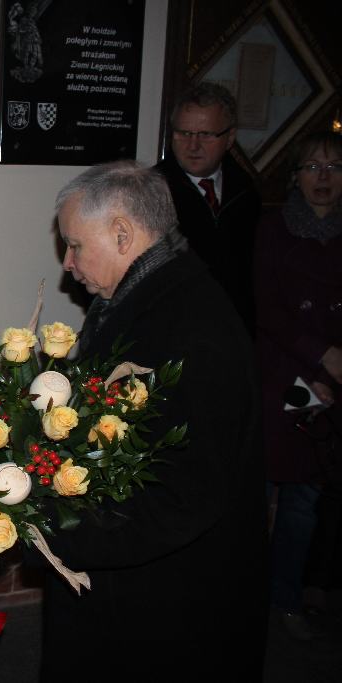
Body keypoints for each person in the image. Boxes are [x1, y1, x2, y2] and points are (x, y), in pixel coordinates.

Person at [41, 161, 267, 680]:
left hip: (170, 603)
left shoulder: (192, 330)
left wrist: (54, 530)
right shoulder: (142, 298)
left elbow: (183, 495)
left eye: (75, 245)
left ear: (122, 234)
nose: (68, 264)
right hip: (133, 585)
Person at [255, 131, 342, 640]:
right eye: (313, 166)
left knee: (304, 505)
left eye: (334, 166)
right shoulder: (274, 229)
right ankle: (242, 597)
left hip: (332, 386)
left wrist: (331, 373)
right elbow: (266, 308)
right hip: (280, 377)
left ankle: (285, 597)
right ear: (295, 177)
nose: (323, 177)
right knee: (258, 496)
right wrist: (319, 359)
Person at [155, 82, 261, 335]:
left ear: (230, 138)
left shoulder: (246, 192)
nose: (193, 145)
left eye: (205, 135)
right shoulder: (149, 192)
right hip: (172, 334)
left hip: (233, 333)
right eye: (183, 133)